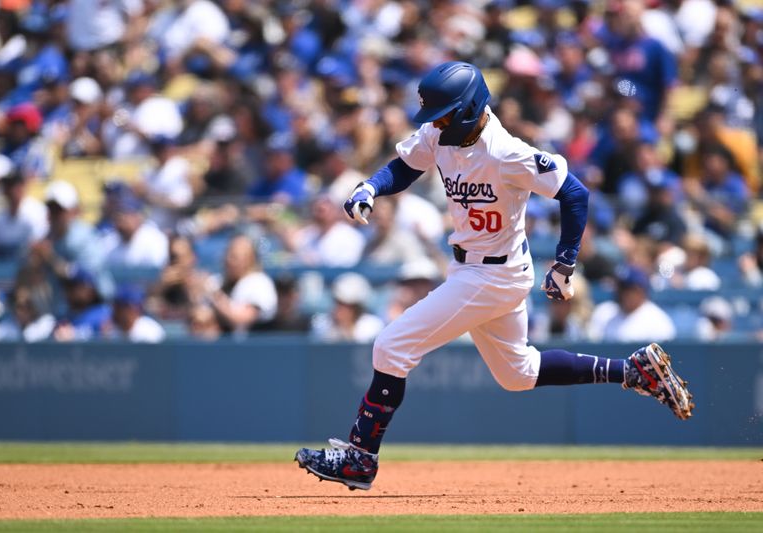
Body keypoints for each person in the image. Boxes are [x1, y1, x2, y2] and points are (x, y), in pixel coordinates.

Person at [295, 61, 693, 491]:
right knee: (517, 374)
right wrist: (371, 186)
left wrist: (564, 262)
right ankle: (633, 371)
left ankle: (359, 458)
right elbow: (405, 166)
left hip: (492, 276)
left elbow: (575, 192)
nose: (435, 123)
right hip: (477, 267)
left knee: (390, 348)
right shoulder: (440, 134)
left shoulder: (507, 152)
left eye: (443, 113)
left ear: (467, 108)